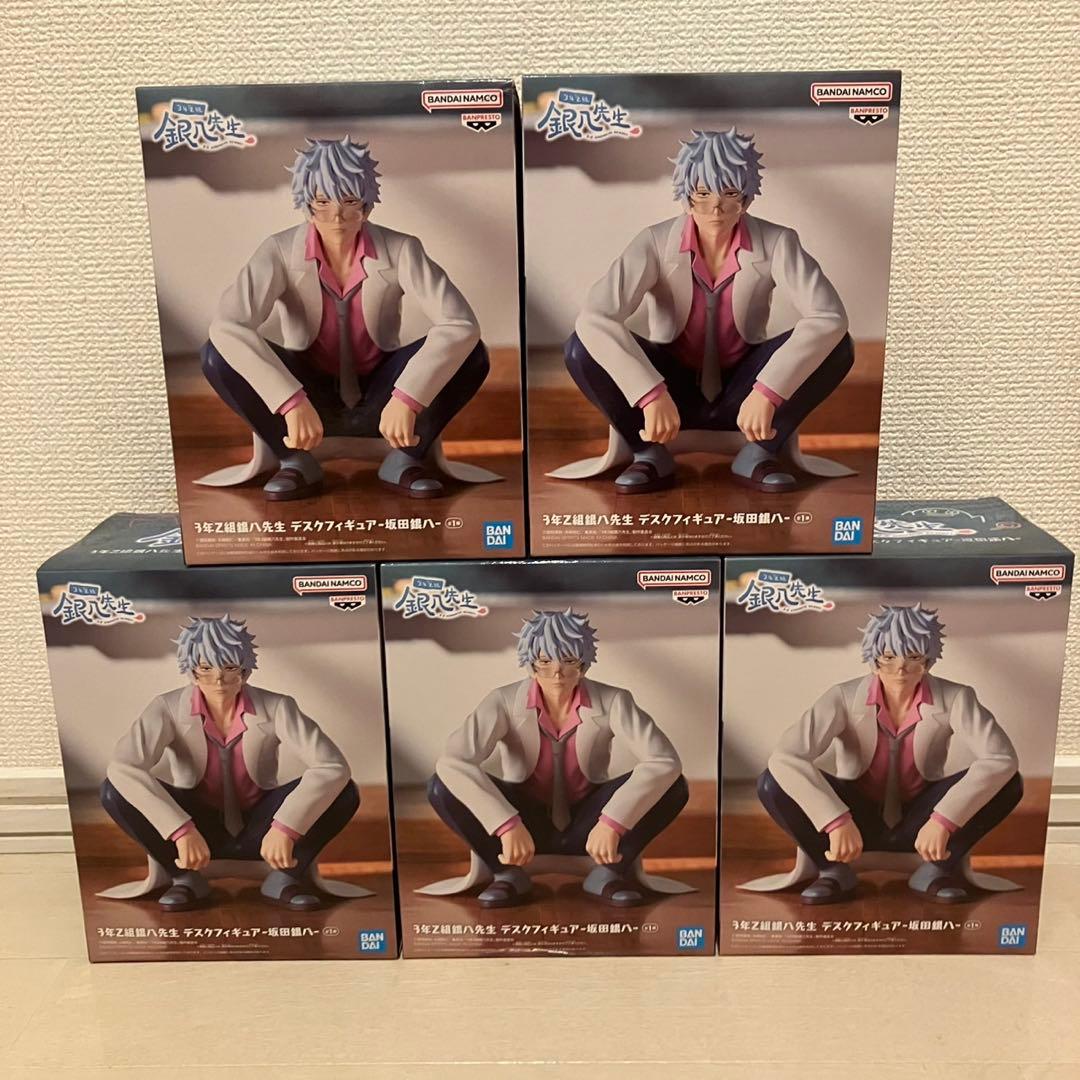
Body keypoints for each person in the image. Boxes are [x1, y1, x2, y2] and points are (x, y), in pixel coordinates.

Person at [565, 127, 853, 494]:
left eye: (729, 193)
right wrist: (648, 392)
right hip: (671, 385)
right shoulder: (654, 242)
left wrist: (768, 390)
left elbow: (828, 317)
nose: (715, 207)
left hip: (743, 387)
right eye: (703, 193)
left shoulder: (779, 241)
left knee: (839, 346)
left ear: (746, 198)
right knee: (579, 347)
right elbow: (595, 316)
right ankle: (647, 452)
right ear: (686, 195)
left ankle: (760, 452)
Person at [201, 136, 489, 500]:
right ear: (307, 203)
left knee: (472, 354)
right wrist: (289, 399)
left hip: (382, 388)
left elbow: (460, 324)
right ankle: (294, 460)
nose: (336, 216)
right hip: (309, 388)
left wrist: (408, 396)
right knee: (216, 354)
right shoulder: (278, 251)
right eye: (323, 202)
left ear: (366, 205)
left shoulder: (402, 249)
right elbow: (228, 325)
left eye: (349, 202)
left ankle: (405, 457)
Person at [756, 604, 1023, 905]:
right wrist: (835, 819)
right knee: (771, 782)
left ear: (929, 660)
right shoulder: (842, 697)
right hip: (857, 815)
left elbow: (1001, 759)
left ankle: (936, 870)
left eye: (913, 657)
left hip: (921, 817)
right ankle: (832, 870)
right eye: (888, 657)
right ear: (873, 660)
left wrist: (944, 819)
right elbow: (786, 756)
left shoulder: (957, 697)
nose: (900, 668)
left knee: (1009, 783)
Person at [426, 609, 689, 908]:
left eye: (568, 660)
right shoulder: (502, 701)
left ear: (584, 663)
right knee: (440, 786)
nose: (557, 672)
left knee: (673, 787)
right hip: (525, 819)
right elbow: (453, 760)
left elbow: (663, 761)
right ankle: (506, 873)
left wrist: (613, 821)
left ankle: (607, 872)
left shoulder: (615, 700)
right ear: (530, 664)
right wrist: (505, 823)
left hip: (589, 821)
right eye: (544, 661)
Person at [100, 616, 359, 912]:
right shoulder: (167, 708)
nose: (218, 679)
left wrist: (286, 826)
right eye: (206, 668)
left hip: (261, 824)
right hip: (197, 824)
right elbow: (123, 766)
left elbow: (332, 766)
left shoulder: (277, 706)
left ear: (245, 670)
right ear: (192, 671)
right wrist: (179, 829)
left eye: (230, 667)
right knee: (113, 791)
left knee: (344, 791)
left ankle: (285, 877)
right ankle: (184, 878)